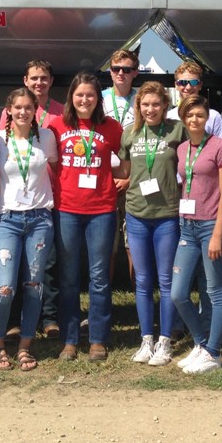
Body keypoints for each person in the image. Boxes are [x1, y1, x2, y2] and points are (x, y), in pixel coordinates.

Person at [50, 71, 123, 361]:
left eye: (90, 95)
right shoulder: (57, 126)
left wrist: (124, 177)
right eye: (79, 94)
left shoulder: (112, 127)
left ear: (98, 98)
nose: (84, 100)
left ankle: (97, 338)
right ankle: (69, 340)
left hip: (101, 210)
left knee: (99, 277)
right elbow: (50, 163)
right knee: (68, 278)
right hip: (66, 208)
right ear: (72, 97)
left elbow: (127, 161)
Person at [118, 81, 187, 366]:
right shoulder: (129, 133)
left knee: (167, 280)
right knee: (143, 281)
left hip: (167, 215)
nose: (150, 109)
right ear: (138, 106)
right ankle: (146, 339)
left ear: (166, 105)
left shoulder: (178, 130)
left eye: (156, 104)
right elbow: (126, 171)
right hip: (136, 214)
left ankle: (165, 341)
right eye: (145, 104)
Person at [0, 88, 58, 371]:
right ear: (9, 110)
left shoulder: (47, 137)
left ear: (35, 110)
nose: (23, 112)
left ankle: (25, 346)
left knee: (33, 285)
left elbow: (56, 170)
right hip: (8, 219)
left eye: (28, 107)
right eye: (17, 107)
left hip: (40, 219)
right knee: (4, 287)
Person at [0, 59, 63, 339]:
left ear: (51, 81)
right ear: (25, 80)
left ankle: (48, 318)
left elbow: (57, 163)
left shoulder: (59, 113)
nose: (39, 82)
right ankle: (14, 321)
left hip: (45, 201)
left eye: (44, 77)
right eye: (34, 78)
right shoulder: (4, 126)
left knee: (46, 265)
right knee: (12, 270)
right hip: (12, 207)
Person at [170, 95, 222, 374]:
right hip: (187, 225)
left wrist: (218, 233)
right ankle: (201, 343)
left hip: (211, 225)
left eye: (199, 115)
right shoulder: (182, 148)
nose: (194, 119)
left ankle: (214, 353)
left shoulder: (220, 146)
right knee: (178, 293)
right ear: (183, 118)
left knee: (215, 292)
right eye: (189, 115)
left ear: (207, 118)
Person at [102, 48, 140, 281]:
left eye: (127, 69)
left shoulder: (142, 99)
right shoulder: (99, 98)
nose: (121, 73)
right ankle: (103, 297)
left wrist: (130, 178)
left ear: (135, 72)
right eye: (116, 69)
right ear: (110, 71)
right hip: (105, 178)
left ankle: (139, 295)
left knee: (132, 240)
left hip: (135, 178)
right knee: (106, 242)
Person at [166, 60, 222, 141]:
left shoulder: (213, 116)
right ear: (176, 85)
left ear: (200, 85)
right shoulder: (168, 117)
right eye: (183, 82)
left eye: (194, 82)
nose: (188, 87)